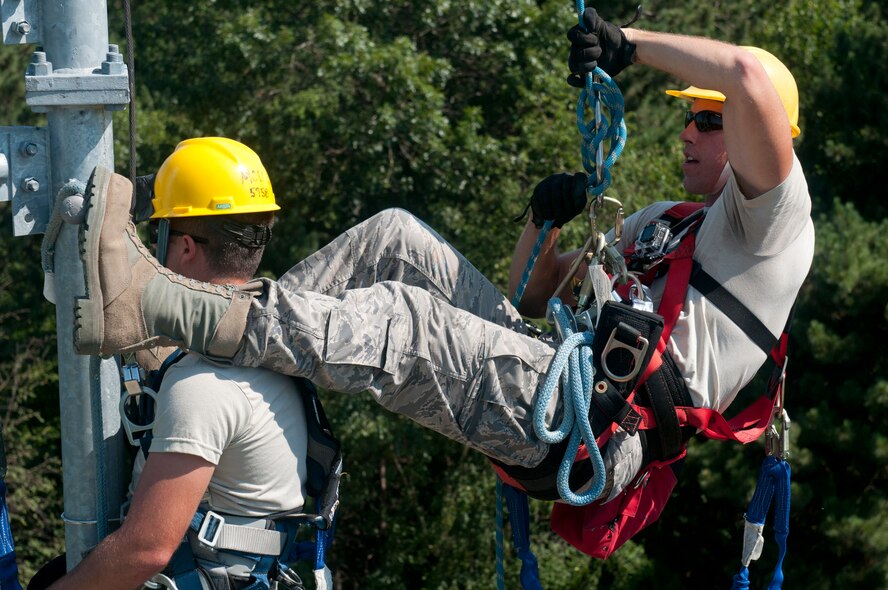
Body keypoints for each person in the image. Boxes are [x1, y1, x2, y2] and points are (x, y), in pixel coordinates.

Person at [71, 9, 812, 528]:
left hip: (596, 431)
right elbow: (529, 296)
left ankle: (162, 305)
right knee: (395, 238)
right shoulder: (662, 223)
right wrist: (539, 221)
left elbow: (748, 73)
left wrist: (629, 43)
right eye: (689, 115)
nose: (688, 129)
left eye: (707, 121)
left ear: (759, 136)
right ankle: (186, 342)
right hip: (557, 375)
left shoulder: (773, 230)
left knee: (405, 319)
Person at [52, 138, 317, 590]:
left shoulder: (202, 386)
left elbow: (146, 550)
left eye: (161, 235)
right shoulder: (275, 352)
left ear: (188, 248)